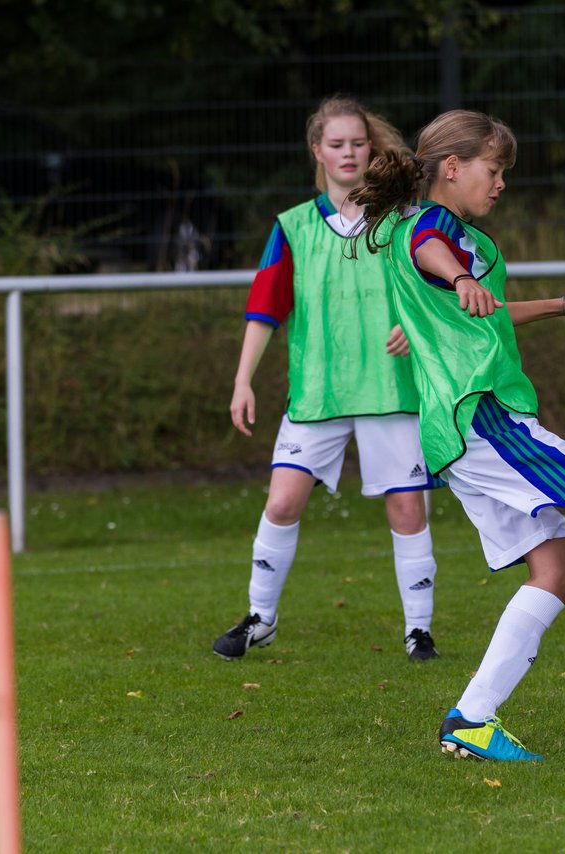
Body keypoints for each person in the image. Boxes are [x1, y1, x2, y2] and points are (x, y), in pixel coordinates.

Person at [352, 109, 565, 762]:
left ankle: (471, 718)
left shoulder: (469, 242)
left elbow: (484, 313)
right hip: (481, 414)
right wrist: (459, 276)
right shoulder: (432, 228)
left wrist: (560, 305)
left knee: (553, 570)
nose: (501, 185)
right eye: (495, 171)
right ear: (453, 167)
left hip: (457, 430)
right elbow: (428, 253)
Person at [212, 96, 444, 663]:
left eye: (358, 143)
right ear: (317, 151)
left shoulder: (404, 222)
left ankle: (419, 631)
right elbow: (265, 307)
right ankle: (260, 619)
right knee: (283, 501)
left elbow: (442, 296)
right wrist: (243, 381)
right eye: (336, 144)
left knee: (407, 509)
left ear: (372, 149)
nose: (348, 153)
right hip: (317, 391)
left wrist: (414, 328)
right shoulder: (293, 226)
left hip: (391, 389)